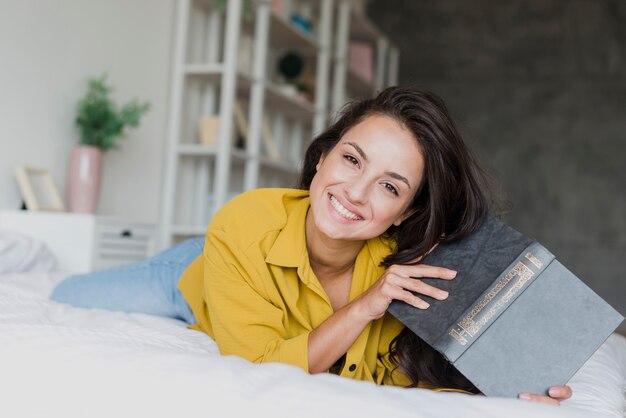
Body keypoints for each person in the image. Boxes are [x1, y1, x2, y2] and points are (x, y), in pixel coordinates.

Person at [51, 86, 571, 404]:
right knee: (66, 295)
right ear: (321, 157)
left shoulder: (408, 273)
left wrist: (524, 382)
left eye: (390, 186)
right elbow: (257, 367)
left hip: (257, 258)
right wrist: (364, 308)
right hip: (203, 269)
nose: (356, 193)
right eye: (351, 160)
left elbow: (433, 376)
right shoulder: (243, 221)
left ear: (407, 212)